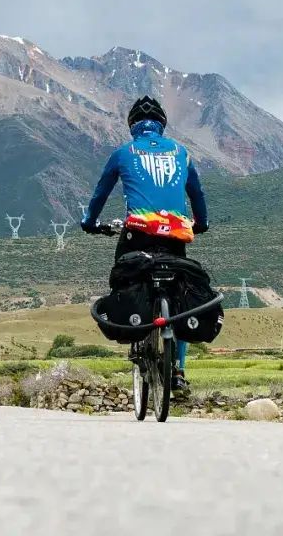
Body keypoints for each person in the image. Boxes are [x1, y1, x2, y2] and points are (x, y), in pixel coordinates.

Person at [81, 96, 209, 392]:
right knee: (182, 296)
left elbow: (99, 195)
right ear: (162, 126)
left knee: (125, 279)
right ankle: (178, 370)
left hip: (136, 234)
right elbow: (198, 195)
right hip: (175, 236)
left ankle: (137, 333)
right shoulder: (182, 152)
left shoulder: (122, 153)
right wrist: (200, 223)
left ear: (132, 126)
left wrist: (90, 223)